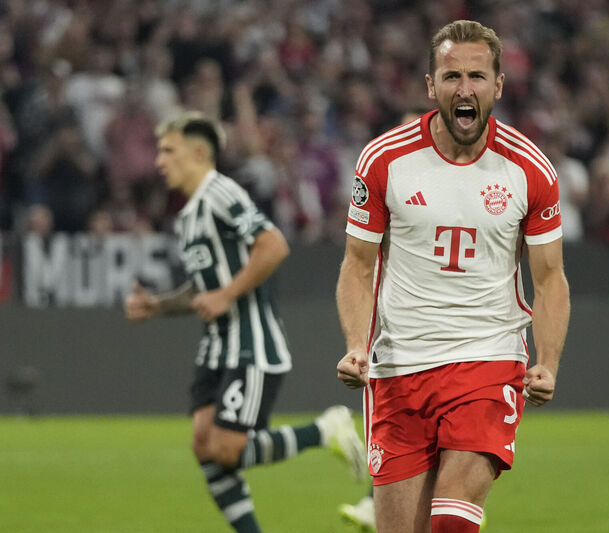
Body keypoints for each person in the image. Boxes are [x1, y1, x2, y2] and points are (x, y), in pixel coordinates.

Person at [335, 20, 571, 533]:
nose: (465, 89)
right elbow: (358, 264)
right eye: (452, 76)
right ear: (430, 85)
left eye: (477, 76)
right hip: (399, 367)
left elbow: (550, 277)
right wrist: (356, 344)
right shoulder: (385, 159)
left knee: (451, 522)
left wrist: (548, 362)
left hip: (487, 358)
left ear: (498, 85)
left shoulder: (529, 170)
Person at [125, 111, 366, 533]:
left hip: (251, 342)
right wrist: (158, 306)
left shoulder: (221, 192)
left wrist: (227, 295)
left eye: (168, 150)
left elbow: (272, 245)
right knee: (205, 447)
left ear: (198, 153)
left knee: (226, 448)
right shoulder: (189, 215)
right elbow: (206, 287)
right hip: (216, 345)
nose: (159, 160)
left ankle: (324, 430)